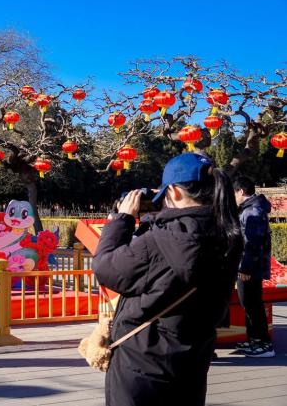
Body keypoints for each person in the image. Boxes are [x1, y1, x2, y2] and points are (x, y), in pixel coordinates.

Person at [93, 153, 243, 406]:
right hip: (193, 360)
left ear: (172, 192)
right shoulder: (227, 235)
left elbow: (105, 268)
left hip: (143, 365)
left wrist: (123, 220)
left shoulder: (162, 241)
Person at [233, 176, 274, 357]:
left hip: (250, 268)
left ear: (241, 191)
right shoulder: (251, 208)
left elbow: (252, 243)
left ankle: (264, 344)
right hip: (251, 266)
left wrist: (245, 268)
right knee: (250, 303)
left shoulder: (252, 211)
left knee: (252, 304)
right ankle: (255, 340)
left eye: (234, 193)